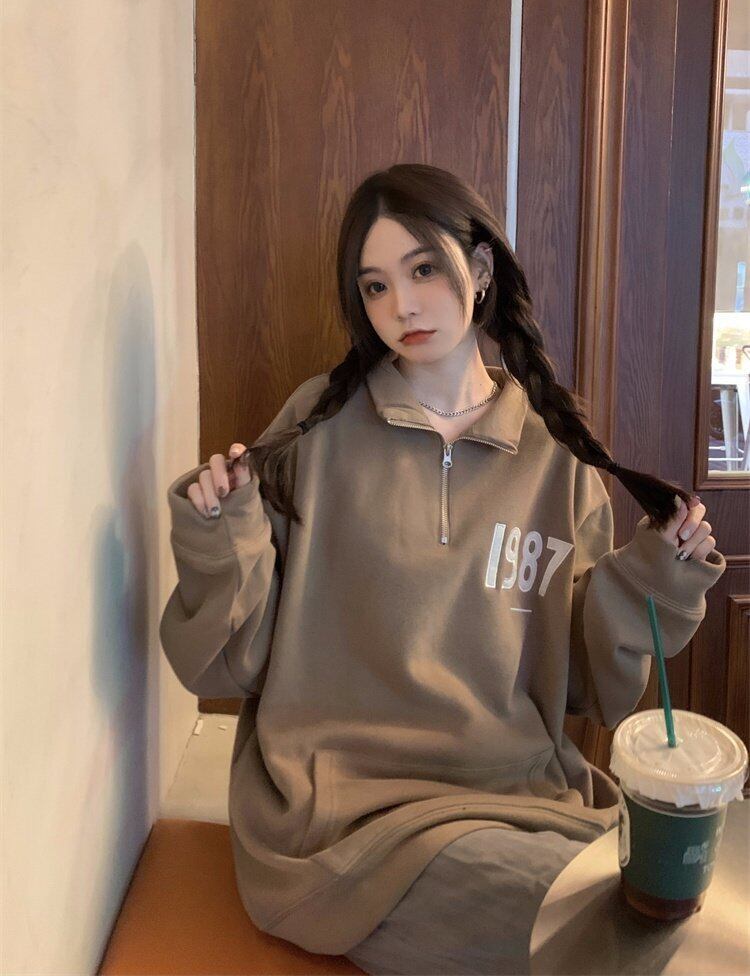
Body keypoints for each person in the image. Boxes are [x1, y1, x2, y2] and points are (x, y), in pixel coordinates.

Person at [159, 163, 725, 975]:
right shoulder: (315, 429)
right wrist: (222, 532)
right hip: (340, 817)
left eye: (423, 269)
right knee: (613, 931)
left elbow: (588, 685)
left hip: (521, 800)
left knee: (673, 905)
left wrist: (653, 575)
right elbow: (228, 663)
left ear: (481, 267)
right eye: (376, 286)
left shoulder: (554, 454)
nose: (402, 306)